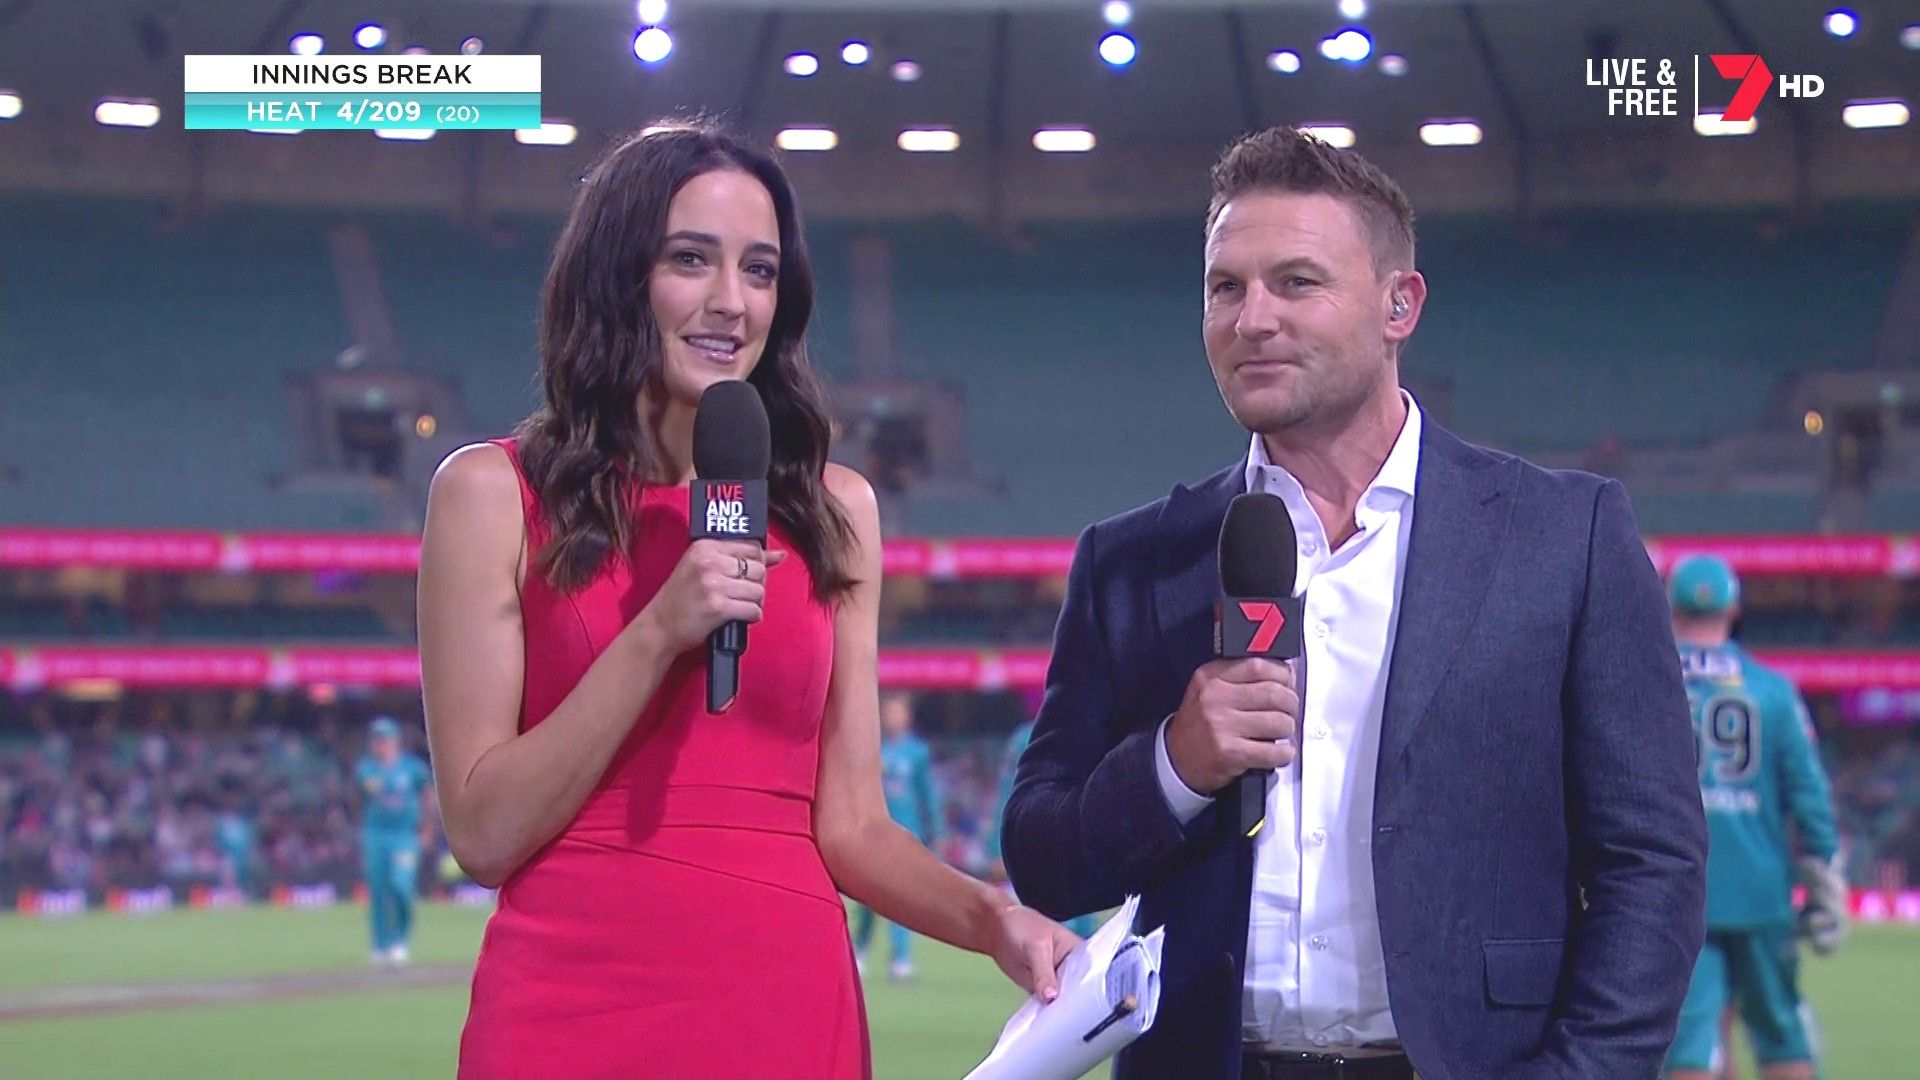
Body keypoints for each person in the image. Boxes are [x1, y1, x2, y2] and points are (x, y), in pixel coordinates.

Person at [1002, 126, 1708, 1080]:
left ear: (1398, 305)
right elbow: (1042, 857)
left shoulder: (1564, 538)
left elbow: (1653, 866)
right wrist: (1175, 764)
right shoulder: (1131, 561)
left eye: (1296, 283)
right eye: (1225, 288)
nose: (1252, 319)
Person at [417, 121, 1077, 1080]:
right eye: (691, 259)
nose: (732, 301)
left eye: (759, 270)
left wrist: (993, 920)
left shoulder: (837, 510)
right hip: (567, 1006)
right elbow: (483, 833)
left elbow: (852, 826)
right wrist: (656, 633)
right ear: (617, 276)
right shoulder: (489, 495)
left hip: (784, 1003)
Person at [1663, 555, 1846, 1080]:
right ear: (1733, 609)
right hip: (1762, 891)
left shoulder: (1648, 685)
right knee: (1781, 1035)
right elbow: (1809, 796)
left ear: (1672, 609)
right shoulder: (1773, 692)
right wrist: (1824, 874)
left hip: (1681, 891)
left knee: (1688, 1046)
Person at [853, 692, 944, 981]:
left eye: (897, 712)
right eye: (888, 712)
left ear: (907, 717)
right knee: (866, 898)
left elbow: (927, 794)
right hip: (872, 833)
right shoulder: (872, 748)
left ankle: (901, 958)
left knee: (901, 898)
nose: (892, 717)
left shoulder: (917, 752)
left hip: (905, 834)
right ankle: (860, 950)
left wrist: (936, 831)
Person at [355, 715, 432, 965]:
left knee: (401, 885)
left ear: (395, 741)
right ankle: (380, 944)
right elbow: (363, 793)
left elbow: (427, 795)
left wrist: (427, 829)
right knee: (378, 890)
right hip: (376, 834)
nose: (380, 745)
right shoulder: (367, 768)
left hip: (404, 836)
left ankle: (400, 939)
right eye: (376, 740)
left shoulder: (412, 768)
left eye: (384, 739)